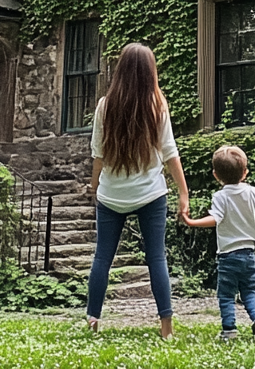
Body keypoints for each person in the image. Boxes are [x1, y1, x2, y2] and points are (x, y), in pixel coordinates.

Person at [86, 42, 189, 339]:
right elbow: (170, 152)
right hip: (150, 194)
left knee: (102, 258)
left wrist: (94, 187)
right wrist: (184, 193)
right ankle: (166, 327)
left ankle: (93, 321)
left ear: (120, 70)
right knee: (156, 258)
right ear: (150, 72)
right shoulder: (157, 104)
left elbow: (98, 154)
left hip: (111, 195)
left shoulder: (105, 105)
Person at [181, 144, 255, 342]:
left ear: (215, 175)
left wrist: (192, 222)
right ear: (245, 173)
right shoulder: (253, 192)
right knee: (250, 291)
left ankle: (229, 330)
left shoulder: (220, 196)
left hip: (228, 256)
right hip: (249, 254)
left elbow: (215, 219)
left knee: (226, 295)